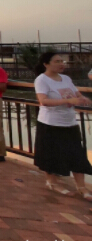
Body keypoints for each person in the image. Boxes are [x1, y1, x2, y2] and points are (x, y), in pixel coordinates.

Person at [33, 52, 92, 199]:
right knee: (51, 154)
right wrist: (68, 101)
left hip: (70, 122)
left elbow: (76, 93)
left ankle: (82, 187)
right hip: (50, 123)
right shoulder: (42, 80)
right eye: (57, 61)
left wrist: (82, 98)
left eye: (62, 61)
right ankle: (52, 183)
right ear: (46, 64)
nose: (61, 64)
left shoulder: (66, 78)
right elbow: (43, 101)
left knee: (77, 154)